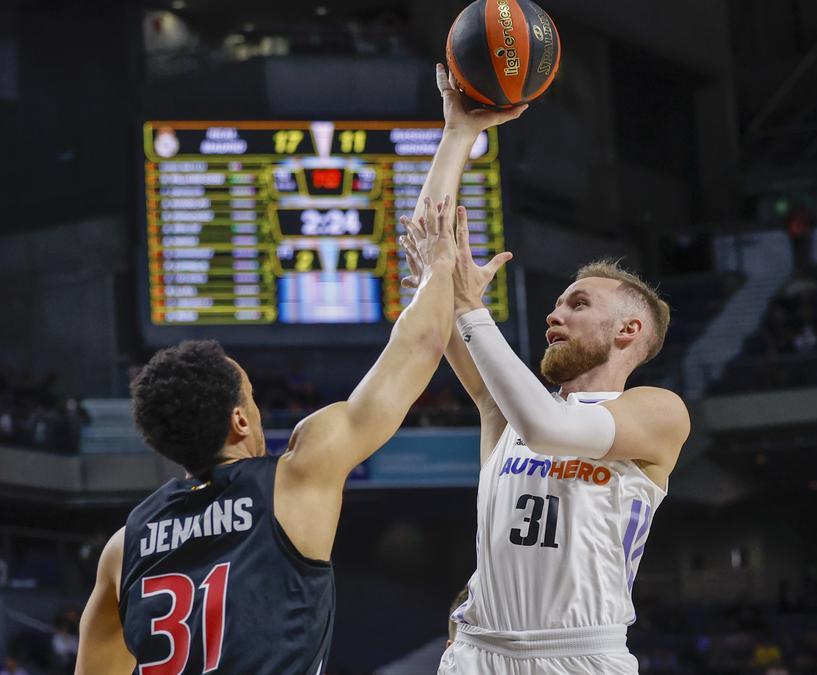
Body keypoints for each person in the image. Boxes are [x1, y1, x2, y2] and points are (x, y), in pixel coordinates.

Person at [73, 187, 507, 670]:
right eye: (253, 400)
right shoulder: (293, 480)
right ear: (240, 419)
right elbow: (419, 344)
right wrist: (439, 266)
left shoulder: (124, 546)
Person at [402, 64, 690, 674]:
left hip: (579, 658)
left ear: (629, 331)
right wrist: (457, 135)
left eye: (578, 304)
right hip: (479, 652)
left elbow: (545, 429)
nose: (555, 314)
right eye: (558, 302)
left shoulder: (658, 413)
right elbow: (428, 266)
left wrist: (472, 307)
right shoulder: (502, 409)